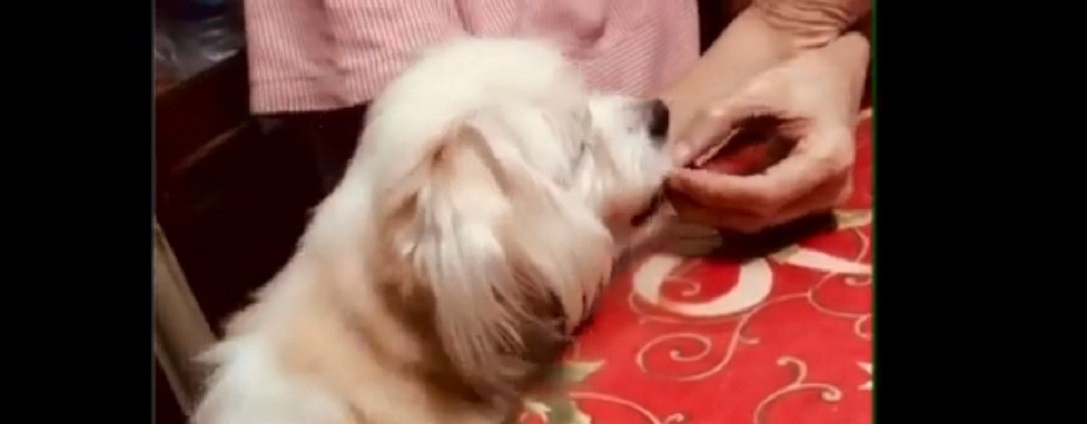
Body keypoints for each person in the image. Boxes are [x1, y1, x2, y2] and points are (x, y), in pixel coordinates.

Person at [242, 0, 871, 233]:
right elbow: (483, 250)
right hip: (535, 344)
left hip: (690, 226)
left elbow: (791, 16)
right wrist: (788, 30)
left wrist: (841, 59)